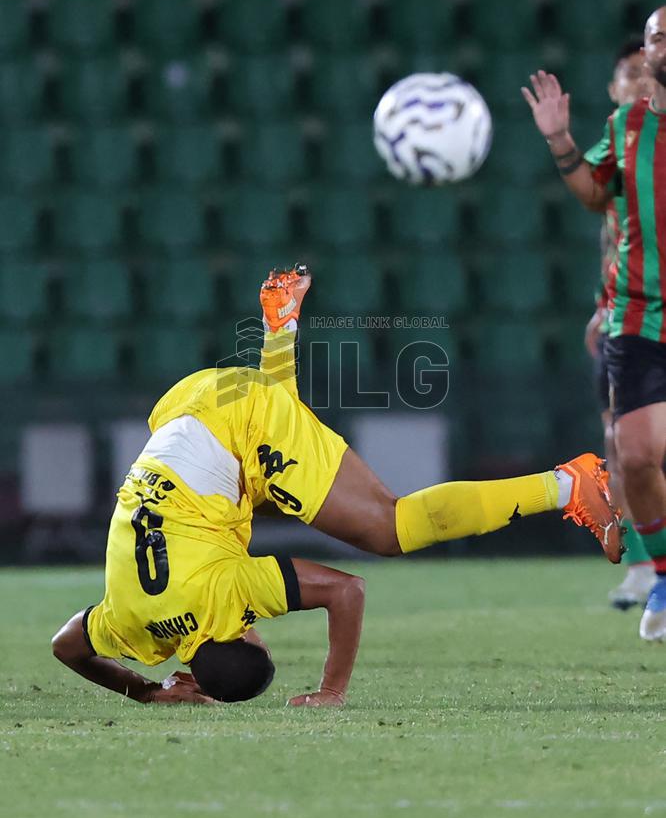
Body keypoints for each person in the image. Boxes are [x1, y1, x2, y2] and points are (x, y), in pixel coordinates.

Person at [52, 267, 622, 706]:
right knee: (284, 462)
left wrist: (332, 690)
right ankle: (280, 327)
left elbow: (347, 591)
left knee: (388, 528)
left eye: (255, 633)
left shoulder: (229, 599)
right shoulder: (125, 622)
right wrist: (145, 692)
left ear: (240, 634)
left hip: (235, 425)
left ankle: (567, 486)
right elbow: (66, 647)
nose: (256, 627)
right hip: (189, 408)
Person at [523, 7, 666, 640]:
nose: (658, 48)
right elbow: (595, 197)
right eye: (656, 36)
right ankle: (656, 573)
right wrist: (558, 138)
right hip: (635, 315)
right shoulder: (628, 126)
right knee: (631, 455)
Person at [582, 40, 656, 611]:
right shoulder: (623, 144)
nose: (635, 82)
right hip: (627, 316)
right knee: (620, 441)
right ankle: (641, 566)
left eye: (642, 71)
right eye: (625, 73)